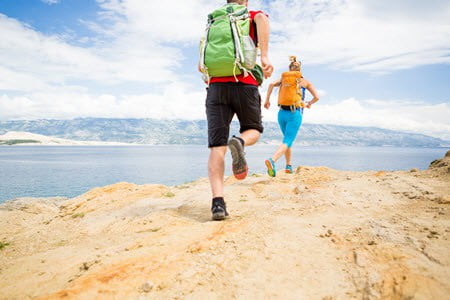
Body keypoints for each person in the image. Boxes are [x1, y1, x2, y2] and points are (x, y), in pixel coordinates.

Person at [202, 0, 273, 220]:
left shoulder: (215, 20)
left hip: (216, 87)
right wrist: (264, 56)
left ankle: (218, 204)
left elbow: (201, 63)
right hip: (245, 83)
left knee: (217, 146)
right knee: (253, 129)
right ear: (244, 1)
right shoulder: (249, 15)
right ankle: (240, 142)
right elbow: (262, 18)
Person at [263, 56, 319, 177]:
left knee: (286, 140)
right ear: (300, 70)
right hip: (295, 114)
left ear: (289, 69)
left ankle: (288, 166)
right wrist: (309, 103)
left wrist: (267, 100)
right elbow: (317, 97)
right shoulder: (305, 82)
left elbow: (271, 84)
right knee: (288, 141)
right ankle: (272, 161)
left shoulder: (283, 79)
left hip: (281, 113)